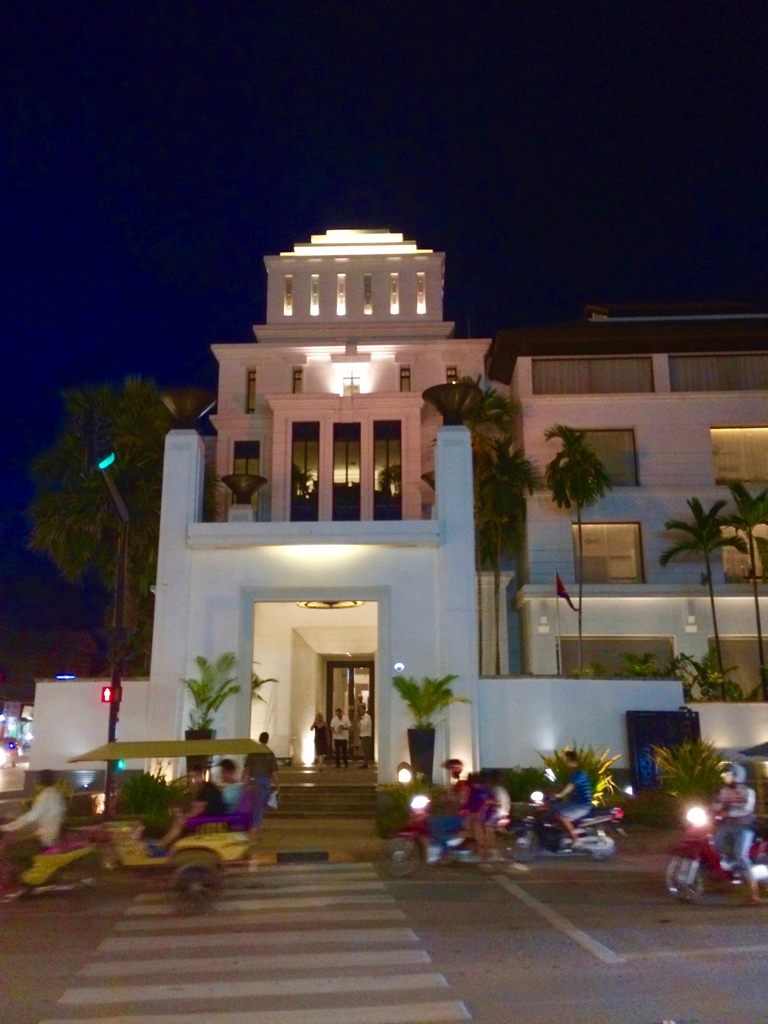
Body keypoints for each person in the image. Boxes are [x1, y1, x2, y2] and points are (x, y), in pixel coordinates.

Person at [0, 770, 66, 894]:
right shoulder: (56, 795)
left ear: (39, 782)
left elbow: (31, 817)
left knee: (9, 850)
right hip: (48, 835)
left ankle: (21, 881)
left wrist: (6, 827)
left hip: (43, 838)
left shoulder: (46, 796)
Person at [713, 762, 761, 906]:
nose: (726, 777)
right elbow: (718, 804)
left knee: (741, 855)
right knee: (715, 845)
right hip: (727, 825)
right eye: (725, 775)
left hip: (744, 826)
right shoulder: (724, 791)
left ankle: (754, 894)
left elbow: (747, 809)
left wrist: (727, 812)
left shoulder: (748, 792)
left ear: (737, 776)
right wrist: (712, 809)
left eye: (729, 775)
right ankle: (731, 871)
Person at [153, 764, 227, 851]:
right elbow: (195, 807)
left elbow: (199, 809)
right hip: (206, 817)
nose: (193, 780)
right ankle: (164, 844)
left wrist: (184, 815)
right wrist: (182, 811)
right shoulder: (200, 789)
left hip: (212, 819)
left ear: (201, 775)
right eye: (190, 777)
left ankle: (162, 845)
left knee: (180, 821)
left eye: (195, 776)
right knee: (178, 819)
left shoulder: (207, 789)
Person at [554, 750, 593, 846]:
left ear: (575, 762)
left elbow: (570, 786)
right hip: (573, 803)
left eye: (568, 761)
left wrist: (560, 795)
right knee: (553, 809)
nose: (566, 763)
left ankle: (576, 840)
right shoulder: (572, 774)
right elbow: (563, 786)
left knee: (561, 815)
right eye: (566, 761)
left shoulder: (580, 774)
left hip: (581, 805)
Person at [243, 731, 279, 829]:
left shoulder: (253, 752)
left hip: (254, 779)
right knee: (261, 803)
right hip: (265, 780)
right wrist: (277, 785)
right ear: (267, 740)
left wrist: (244, 780)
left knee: (254, 803)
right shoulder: (269, 753)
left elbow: (247, 768)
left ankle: (254, 823)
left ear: (259, 739)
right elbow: (274, 772)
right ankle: (256, 824)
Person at [358, 704, 373, 768]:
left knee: (366, 749)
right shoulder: (363, 717)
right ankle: (365, 762)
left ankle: (365, 763)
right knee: (364, 749)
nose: (360, 711)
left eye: (362, 709)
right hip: (363, 734)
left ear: (364, 709)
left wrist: (361, 721)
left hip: (366, 735)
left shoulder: (367, 716)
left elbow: (366, 724)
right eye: (360, 710)